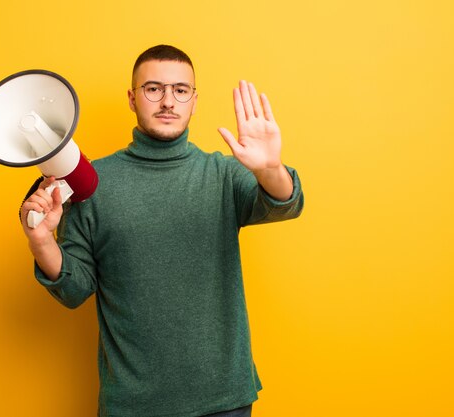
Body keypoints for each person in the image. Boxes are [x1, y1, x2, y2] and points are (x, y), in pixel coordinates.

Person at [19, 45, 304, 417]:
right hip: (133, 405)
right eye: (153, 89)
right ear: (132, 98)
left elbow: (284, 204)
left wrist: (270, 168)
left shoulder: (222, 173)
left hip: (223, 400)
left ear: (194, 100)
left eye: (180, 90)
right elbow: (74, 290)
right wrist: (41, 242)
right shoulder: (90, 184)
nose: (168, 101)